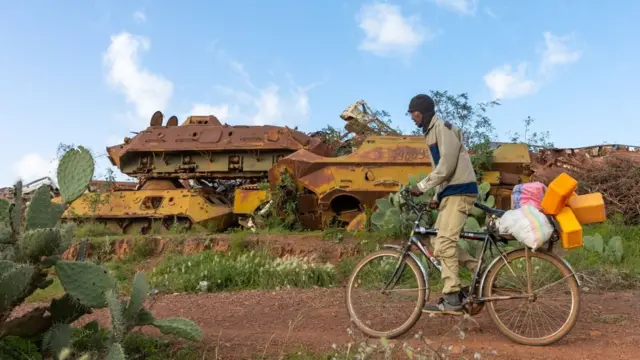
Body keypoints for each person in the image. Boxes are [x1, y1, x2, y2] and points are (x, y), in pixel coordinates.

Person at [407, 93, 479, 314]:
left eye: (415, 113)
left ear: (424, 112)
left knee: (444, 243)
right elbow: (443, 170)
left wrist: (421, 186)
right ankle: (479, 270)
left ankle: (452, 299)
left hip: (461, 191)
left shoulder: (443, 128)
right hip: (451, 192)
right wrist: (437, 197)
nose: (412, 118)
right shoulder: (431, 132)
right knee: (436, 240)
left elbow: (446, 166)